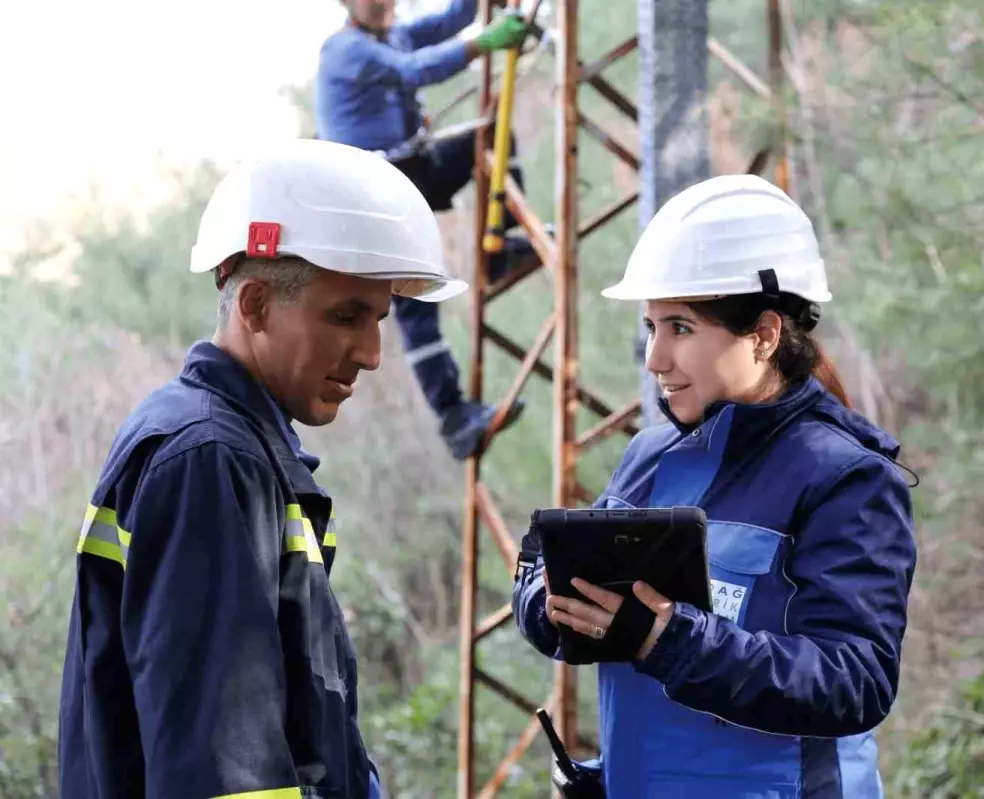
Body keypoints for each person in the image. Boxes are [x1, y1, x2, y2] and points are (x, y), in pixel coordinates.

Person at [56, 139, 460, 799]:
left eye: (380, 318)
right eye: (346, 315)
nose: (372, 353)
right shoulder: (211, 461)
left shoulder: (230, 449)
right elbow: (222, 766)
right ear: (256, 307)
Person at [513, 174, 918, 798]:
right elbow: (569, 612)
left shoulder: (846, 478)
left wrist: (670, 639)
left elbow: (853, 681)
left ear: (763, 335)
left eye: (680, 327)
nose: (654, 358)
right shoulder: (648, 455)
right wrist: (547, 600)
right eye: (651, 327)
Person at [315, 0, 537, 460]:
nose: (383, 5)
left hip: (408, 171)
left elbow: (446, 23)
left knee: (491, 136)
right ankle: (454, 417)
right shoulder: (345, 50)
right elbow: (413, 70)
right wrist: (483, 43)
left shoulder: (391, 34)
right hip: (372, 192)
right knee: (413, 302)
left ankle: (501, 247)